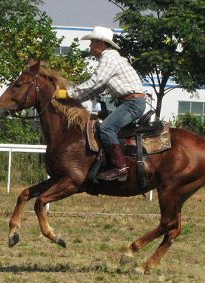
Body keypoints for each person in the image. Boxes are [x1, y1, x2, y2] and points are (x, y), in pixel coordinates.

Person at [56, 26, 146, 181]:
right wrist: (73, 100)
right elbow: (95, 90)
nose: (90, 45)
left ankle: (120, 168)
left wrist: (69, 93)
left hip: (132, 103)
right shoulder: (111, 58)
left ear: (101, 43)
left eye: (92, 42)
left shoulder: (109, 58)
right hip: (130, 102)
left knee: (106, 128)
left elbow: (96, 81)